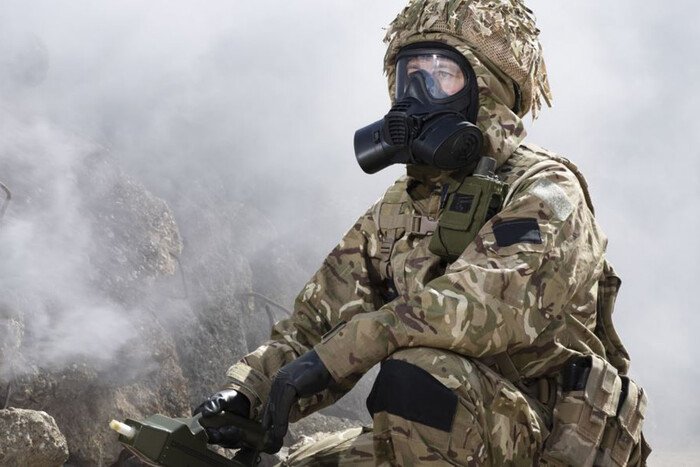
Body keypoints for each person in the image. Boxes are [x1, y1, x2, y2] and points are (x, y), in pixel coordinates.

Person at [196, 0, 650, 465]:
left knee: (422, 374)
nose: (417, 92)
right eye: (409, 74)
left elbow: (479, 309)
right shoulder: (401, 205)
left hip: (545, 437)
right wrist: (250, 391)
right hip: (453, 432)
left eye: (441, 74)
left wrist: (337, 356)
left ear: (486, 89)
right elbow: (318, 320)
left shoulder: (546, 190)